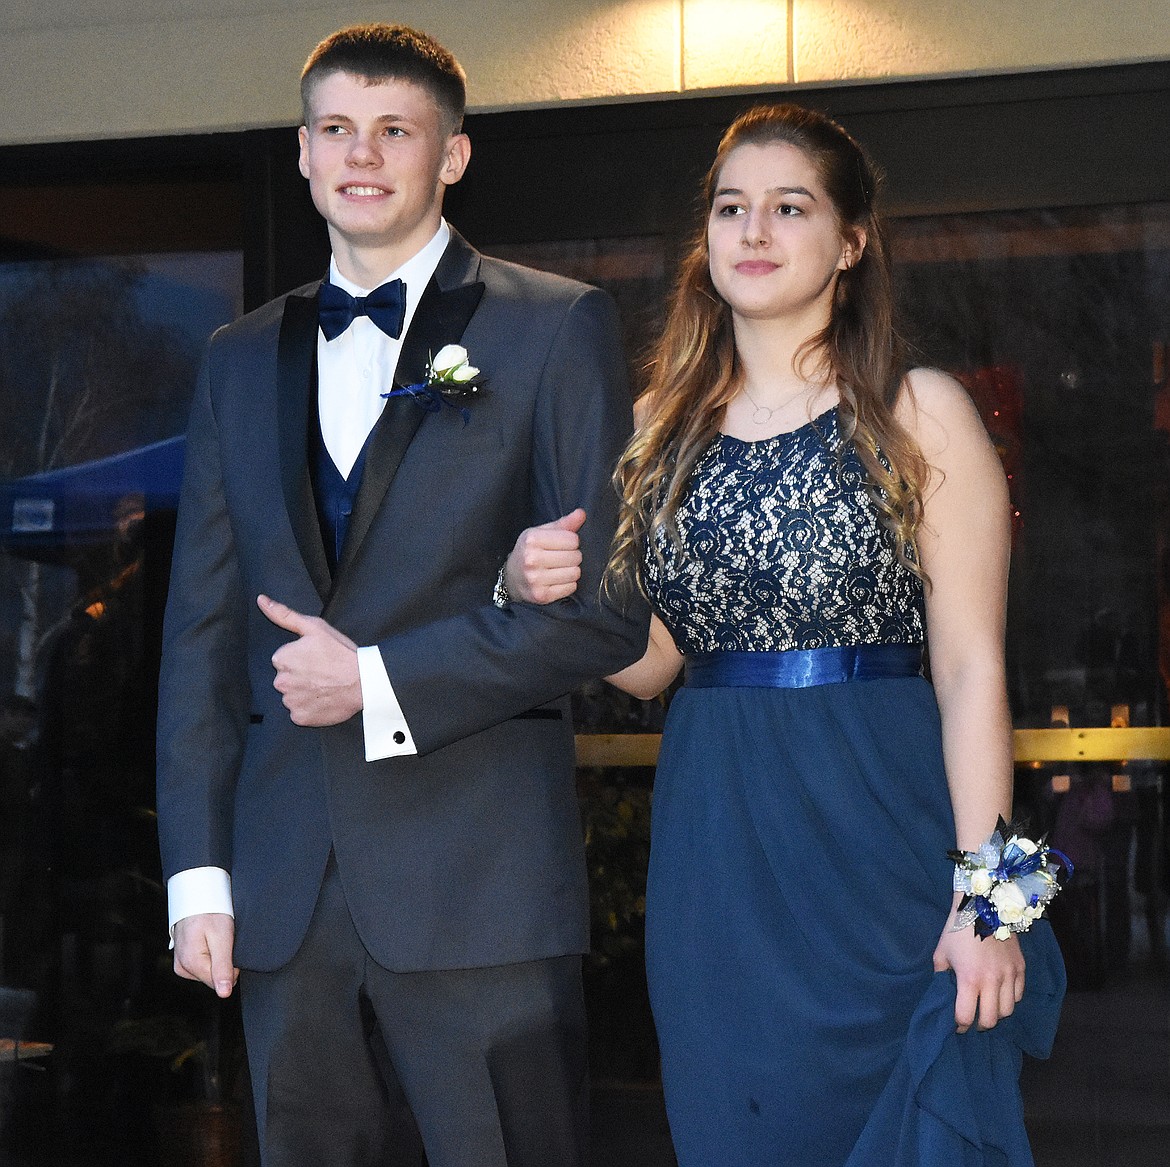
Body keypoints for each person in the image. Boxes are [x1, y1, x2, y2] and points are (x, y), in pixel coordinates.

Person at [505, 103, 1066, 1165]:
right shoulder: (653, 429)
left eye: (789, 207)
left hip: (886, 842)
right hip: (718, 860)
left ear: (851, 242)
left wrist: (994, 904)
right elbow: (653, 667)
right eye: (731, 208)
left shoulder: (920, 409)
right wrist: (547, 591)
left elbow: (974, 671)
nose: (752, 231)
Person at [155, 22, 647, 1167]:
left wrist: (375, 681)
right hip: (280, 895)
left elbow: (606, 612)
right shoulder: (235, 355)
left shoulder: (553, 326)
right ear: (302, 151)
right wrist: (199, 877)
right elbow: (202, 635)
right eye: (336, 129)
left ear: (453, 156)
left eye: (395, 130)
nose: (361, 155)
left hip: (481, 884)